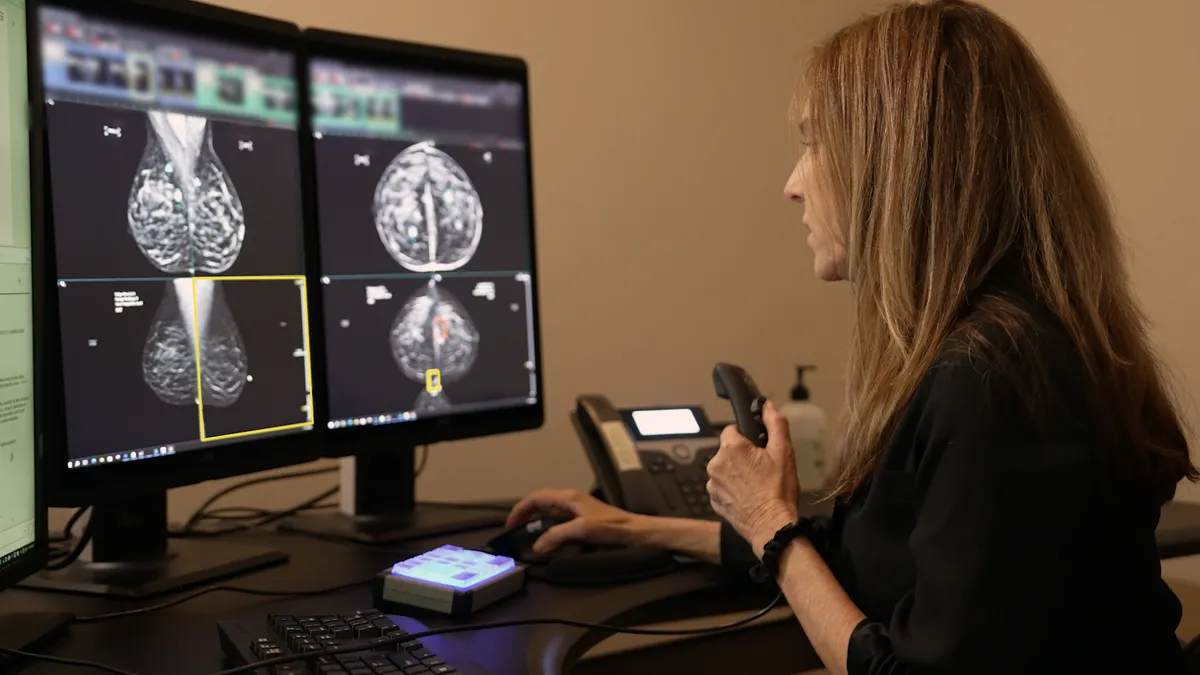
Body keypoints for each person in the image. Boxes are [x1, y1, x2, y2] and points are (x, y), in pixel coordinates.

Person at [507, 1, 1197, 673]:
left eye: (813, 142)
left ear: (898, 164)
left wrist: (775, 526)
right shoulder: (1004, 343)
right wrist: (632, 526)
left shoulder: (994, 377)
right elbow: (867, 549)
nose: (791, 184)